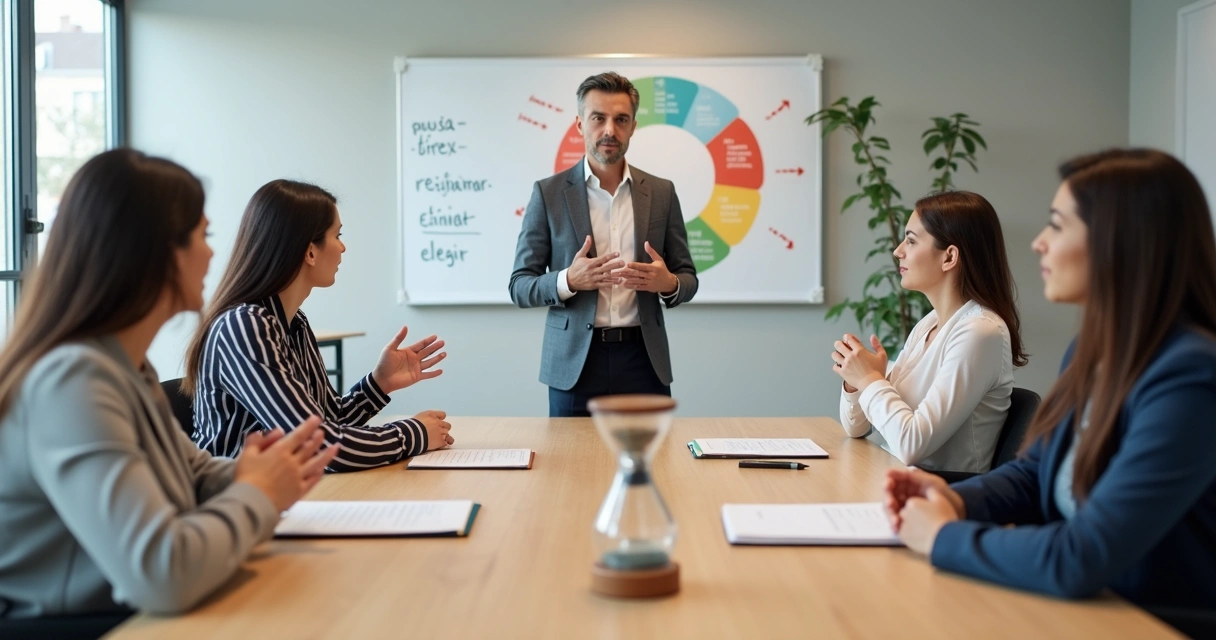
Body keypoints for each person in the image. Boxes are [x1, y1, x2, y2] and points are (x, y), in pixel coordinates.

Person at [0, 149, 338, 624]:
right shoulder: (71, 381)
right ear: (155, 254)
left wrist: (260, 470)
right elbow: (161, 573)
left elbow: (193, 473)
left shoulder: (122, 370)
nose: (213, 253)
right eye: (203, 235)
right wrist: (259, 492)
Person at [886, 149, 1216, 610]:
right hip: (1089, 607)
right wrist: (954, 499)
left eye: (1057, 226)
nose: (1039, 243)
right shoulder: (1090, 353)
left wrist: (943, 536)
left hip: (1149, 621)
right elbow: (1035, 473)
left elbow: (1081, 554)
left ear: (1120, 242)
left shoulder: (1191, 377)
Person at [186, 179, 452, 472]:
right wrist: (414, 433)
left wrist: (379, 383)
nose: (343, 247)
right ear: (310, 251)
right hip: (239, 504)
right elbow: (319, 447)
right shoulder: (245, 327)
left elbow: (328, 421)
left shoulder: (292, 322)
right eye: (337, 235)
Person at [509, 71, 698, 417]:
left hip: (644, 360)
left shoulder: (661, 193)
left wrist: (668, 283)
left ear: (633, 127)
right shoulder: (548, 194)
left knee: (649, 467)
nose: (609, 129)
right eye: (598, 118)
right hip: (574, 363)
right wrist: (569, 280)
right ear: (580, 124)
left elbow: (687, 278)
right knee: (570, 468)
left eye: (621, 119)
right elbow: (520, 286)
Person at [834, 191, 1026, 473]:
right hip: (891, 481)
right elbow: (856, 429)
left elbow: (912, 445)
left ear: (949, 257)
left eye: (911, 241)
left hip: (935, 497)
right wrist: (858, 383)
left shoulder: (981, 333)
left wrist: (871, 380)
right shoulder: (929, 324)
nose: (898, 250)